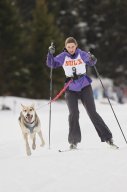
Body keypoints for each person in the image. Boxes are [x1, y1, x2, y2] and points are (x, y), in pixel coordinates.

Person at [46, 37, 118, 149]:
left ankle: (108, 138)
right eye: (68, 47)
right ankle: (73, 142)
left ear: (76, 46)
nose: (71, 49)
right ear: (66, 47)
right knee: (73, 114)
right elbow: (51, 64)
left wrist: (92, 58)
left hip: (85, 86)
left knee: (92, 112)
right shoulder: (63, 56)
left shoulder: (81, 53)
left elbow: (91, 61)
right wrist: (50, 54)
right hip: (71, 88)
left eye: (72, 46)